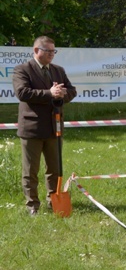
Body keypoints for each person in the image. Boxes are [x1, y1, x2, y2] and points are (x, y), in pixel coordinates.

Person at [13, 36, 77, 215]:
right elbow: (22, 92)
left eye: (53, 51)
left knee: (54, 169)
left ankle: (53, 201)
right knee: (30, 171)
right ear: (36, 51)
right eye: (47, 51)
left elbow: (72, 91)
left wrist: (63, 93)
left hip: (54, 127)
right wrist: (49, 93)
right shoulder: (22, 70)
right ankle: (32, 205)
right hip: (32, 128)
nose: (51, 54)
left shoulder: (58, 70)